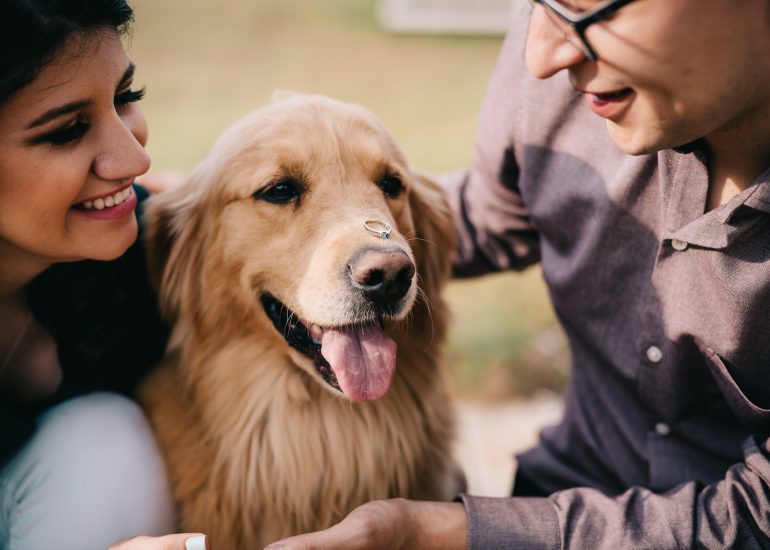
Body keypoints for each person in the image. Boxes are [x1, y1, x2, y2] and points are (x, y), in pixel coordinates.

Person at [266, 0, 770, 548]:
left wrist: (437, 531)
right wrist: (214, 214)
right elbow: (493, 212)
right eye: (538, 4)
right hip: (554, 489)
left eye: (588, 8)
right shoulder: (560, 77)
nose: (540, 58)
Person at [0, 1, 209, 549]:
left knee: (104, 434)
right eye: (68, 130)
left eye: (126, 99)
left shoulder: (144, 250)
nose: (133, 158)